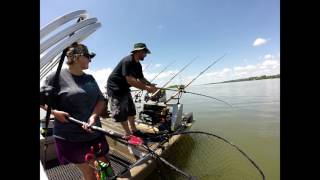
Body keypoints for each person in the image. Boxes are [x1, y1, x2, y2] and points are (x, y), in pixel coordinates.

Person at [40, 42, 110, 180]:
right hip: (71, 137)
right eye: (88, 56)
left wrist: (93, 116)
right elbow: (41, 100)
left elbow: (101, 100)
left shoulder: (90, 78)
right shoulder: (55, 77)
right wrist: (54, 113)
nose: (90, 60)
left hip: (95, 132)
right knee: (90, 173)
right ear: (77, 57)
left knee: (105, 167)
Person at [106, 43, 158, 139]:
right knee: (120, 112)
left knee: (131, 110)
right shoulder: (127, 61)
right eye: (144, 52)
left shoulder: (138, 65)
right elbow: (130, 80)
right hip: (115, 88)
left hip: (125, 88)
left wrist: (150, 84)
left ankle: (134, 130)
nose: (145, 55)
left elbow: (141, 78)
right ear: (138, 51)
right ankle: (128, 133)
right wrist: (147, 88)